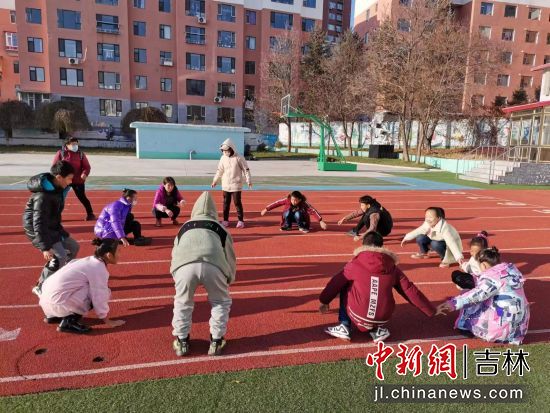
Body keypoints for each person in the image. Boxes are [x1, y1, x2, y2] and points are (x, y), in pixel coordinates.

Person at [319, 232, 435, 342]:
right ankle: (376, 330)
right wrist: (431, 310)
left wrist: (324, 301)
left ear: (363, 245)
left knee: (345, 284)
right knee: (380, 287)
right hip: (383, 317)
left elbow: (335, 283)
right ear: (382, 246)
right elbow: (410, 290)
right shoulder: (393, 268)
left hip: (358, 314)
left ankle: (344, 325)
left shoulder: (354, 264)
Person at [171, 192, 236, 357]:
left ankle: (182, 340)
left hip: (184, 265)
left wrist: (176, 275)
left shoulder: (184, 227)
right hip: (214, 265)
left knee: (182, 302)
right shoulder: (220, 228)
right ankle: (216, 340)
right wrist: (229, 277)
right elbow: (230, 256)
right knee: (220, 302)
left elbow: (175, 253)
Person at [436, 247, 530, 344]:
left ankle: (463, 324)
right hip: (519, 328)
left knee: (469, 297)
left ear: (483, 265)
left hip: (502, 329)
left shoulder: (491, 277)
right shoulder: (510, 269)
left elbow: (475, 296)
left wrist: (453, 303)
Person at [39, 238, 126, 334]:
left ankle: (53, 316)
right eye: (118, 251)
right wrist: (107, 320)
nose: (120, 254)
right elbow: (99, 296)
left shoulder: (87, 260)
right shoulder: (98, 268)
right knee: (103, 291)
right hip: (57, 303)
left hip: (46, 302)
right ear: (109, 255)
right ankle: (68, 322)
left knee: (84, 287)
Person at [23, 161, 80, 295]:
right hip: (38, 230)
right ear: (59, 177)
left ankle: (61, 275)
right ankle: (40, 286)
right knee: (59, 256)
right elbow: (38, 223)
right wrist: (45, 247)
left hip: (52, 226)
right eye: (69, 178)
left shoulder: (57, 189)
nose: (71, 182)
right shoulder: (43, 196)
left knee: (73, 247)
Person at [211, 138, 252, 228]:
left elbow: (246, 170)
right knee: (226, 203)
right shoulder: (223, 158)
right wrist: (215, 180)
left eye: (227, 151)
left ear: (231, 149)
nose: (225, 152)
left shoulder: (239, 157)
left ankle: (240, 221)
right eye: (224, 151)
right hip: (225, 185)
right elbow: (219, 170)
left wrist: (248, 181)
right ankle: (225, 220)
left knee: (237, 203)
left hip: (236, 185)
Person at [52, 136, 95, 221]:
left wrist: (84, 174)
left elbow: (87, 167)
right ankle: (56, 216)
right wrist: (58, 177)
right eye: (73, 144)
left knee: (82, 197)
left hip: (78, 180)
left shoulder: (81, 154)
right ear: (67, 145)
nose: (75, 146)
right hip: (64, 181)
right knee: (60, 198)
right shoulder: (61, 153)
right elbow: (55, 167)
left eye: (76, 144)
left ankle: (90, 214)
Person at [261, 190, 328, 233]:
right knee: (287, 212)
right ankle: (288, 226)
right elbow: (277, 203)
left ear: (300, 199)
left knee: (298, 213)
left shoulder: (304, 203)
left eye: (296, 200)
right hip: (290, 217)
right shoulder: (287, 200)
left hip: (301, 218)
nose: (293, 202)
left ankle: (302, 227)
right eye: (292, 199)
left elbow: (313, 210)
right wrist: (266, 209)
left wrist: (320, 221)